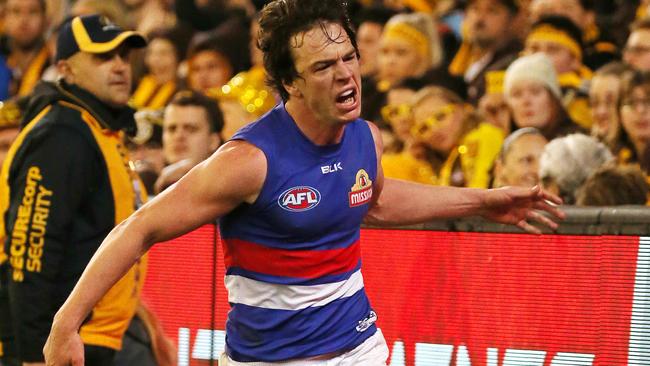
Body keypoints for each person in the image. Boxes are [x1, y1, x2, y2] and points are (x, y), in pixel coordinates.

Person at [44, 1, 564, 365]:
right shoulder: (248, 160)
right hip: (270, 359)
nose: (345, 75)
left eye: (348, 58)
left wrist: (485, 201)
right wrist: (67, 323)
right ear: (290, 82)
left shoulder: (366, 137)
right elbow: (138, 229)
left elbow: (373, 200)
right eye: (323, 66)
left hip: (360, 347)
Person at [0, 14, 148, 365]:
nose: (119, 67)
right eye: (102, 57)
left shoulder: (98, 128)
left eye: (124, 56)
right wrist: (35, 352)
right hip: (58, 344)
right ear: (66, 69)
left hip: (85, 338)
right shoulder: (62, 135)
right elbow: (31, 250)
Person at [154, 90, 224, 194]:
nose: (178, 136)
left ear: (213, 141)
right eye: (172, 129)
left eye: (191, 129)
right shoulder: (142, 187)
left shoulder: (231, 193)